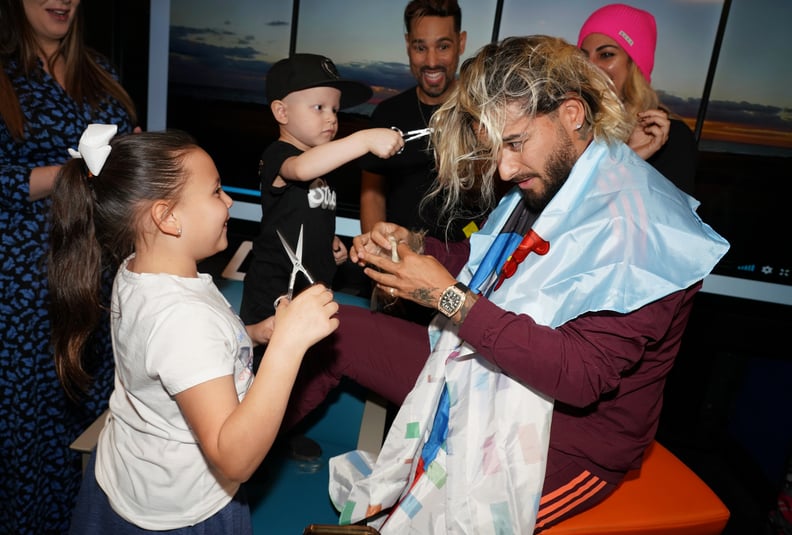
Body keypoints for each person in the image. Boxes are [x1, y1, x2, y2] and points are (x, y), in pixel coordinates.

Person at [283, 35, 729, 533]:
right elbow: (494, 261)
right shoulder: (561, 173)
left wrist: (447, 298)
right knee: (333, 329)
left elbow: (581, 379)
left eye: (515, 143)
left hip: (571, 436)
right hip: (491, 369)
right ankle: (244, 450)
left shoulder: (646, 231)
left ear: (572, 114)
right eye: (497, 148)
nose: (505, 167)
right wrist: (417, 247)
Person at [48, 125, 339, 533]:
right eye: (216, 191)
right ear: (167, 218)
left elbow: (176, 355)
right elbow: (233, 457)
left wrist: (253, 334)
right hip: (183, 511)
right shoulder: (183, 319)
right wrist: (287, 347)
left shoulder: (137, 269)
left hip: (132, 477)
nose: (229, 201)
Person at [0, 0, 137, 532]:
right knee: (25, 444)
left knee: (87, 434)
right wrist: (69, 174)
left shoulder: (101, 71)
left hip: (96, 282)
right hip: (21, 293)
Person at [239, 53, 402, 354]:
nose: (331, 117)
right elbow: (300, 169)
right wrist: (363, 139)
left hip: (309, 298)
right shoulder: (279, 155)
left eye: (335, 110)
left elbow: (302, 214)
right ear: (281, 112)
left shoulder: (321, 167)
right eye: (319, 107)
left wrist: (328, 244)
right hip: (273, 300)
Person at [358, 0, 477, 242]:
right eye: (420, 48)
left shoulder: (479, 112)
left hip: (463, 263)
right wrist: (378, 255)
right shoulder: (387, 113)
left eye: (443, 46)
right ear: (407, 45)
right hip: (399, 258)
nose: (432, 61)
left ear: (461, 43)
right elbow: (372, 194)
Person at [578, 2, 697, 194]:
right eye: (583, 57)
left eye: (606, 55)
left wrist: (630, 161)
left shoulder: (669, 139)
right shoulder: (574, 125)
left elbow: (664, 219)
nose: (590, 66)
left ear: (635, 65)